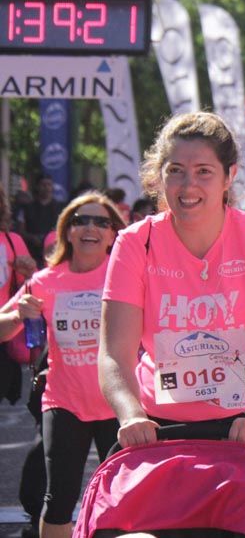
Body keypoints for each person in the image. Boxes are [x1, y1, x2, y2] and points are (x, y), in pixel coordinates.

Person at [97, 112, 245, 538]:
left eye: (204, 172)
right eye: (176, 171)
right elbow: (114, 353)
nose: (188, 186)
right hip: (165, 432)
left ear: (228, 177)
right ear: (158, 177)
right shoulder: (134, 243)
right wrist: (129, 415)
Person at [0, 192, 126, 538]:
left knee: (122, 499)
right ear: (66, 231)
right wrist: (18, 315)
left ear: (114, 233)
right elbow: (3, 327)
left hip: (118, 403)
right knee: (58, 499)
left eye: (101, 222)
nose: (90, 227)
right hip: (64, 402)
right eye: (80, 220)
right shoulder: (45, 281)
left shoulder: (127, 276)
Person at [18, 175, 65, 268]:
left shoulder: (61, 208)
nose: (46, 188)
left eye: (49, 185)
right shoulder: (27, 208)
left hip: (54, 255)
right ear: (37, 187)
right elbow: (20, 230)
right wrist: (32, 238)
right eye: (43, 185)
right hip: (31, 253)